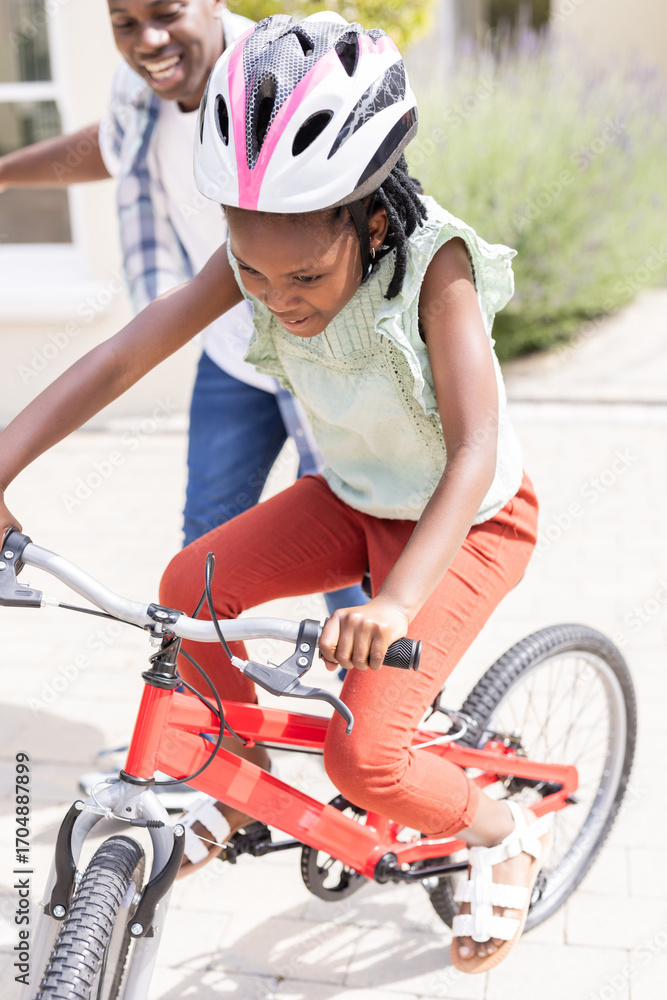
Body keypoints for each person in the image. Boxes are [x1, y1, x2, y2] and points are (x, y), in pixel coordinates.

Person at [0, 11, 552, 974]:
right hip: (350, 498)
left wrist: (391, 602)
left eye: (304, 274)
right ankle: (235, 770)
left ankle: (502, 832)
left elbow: (473, 452)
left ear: (371, 217)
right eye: (252, 270)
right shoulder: (254, 262)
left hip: (464, 525)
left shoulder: (436, 267)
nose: (277, 296)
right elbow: (125, 354)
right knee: (189, 587)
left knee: (363, 760)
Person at [0, 0, 366, 609]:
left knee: (345, 540)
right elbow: (112, 147)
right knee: (202, 559)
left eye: (167, 13)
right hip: (233, 356)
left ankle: (381, 696)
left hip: (322, 355)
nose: (148, 40)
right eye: (124, 23)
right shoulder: (141, 90)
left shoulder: (281, 75)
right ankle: (215, 704)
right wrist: (6, 172)